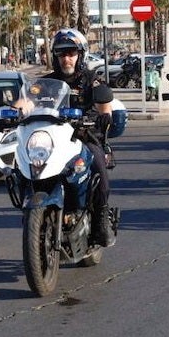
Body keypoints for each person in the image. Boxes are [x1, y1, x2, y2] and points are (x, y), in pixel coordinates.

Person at [42, 27, 118, 247]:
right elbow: (27, 101)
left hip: (83, 136)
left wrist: (105, 117)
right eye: (62, 53)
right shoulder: (46, 82)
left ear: (80, 54)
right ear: (55, 56)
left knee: (98, 170)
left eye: (71, 53)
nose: (67, 58)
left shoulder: (90, 80)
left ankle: (101, 220)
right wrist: (12, 113)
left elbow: (105, 105)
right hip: (53, 139)